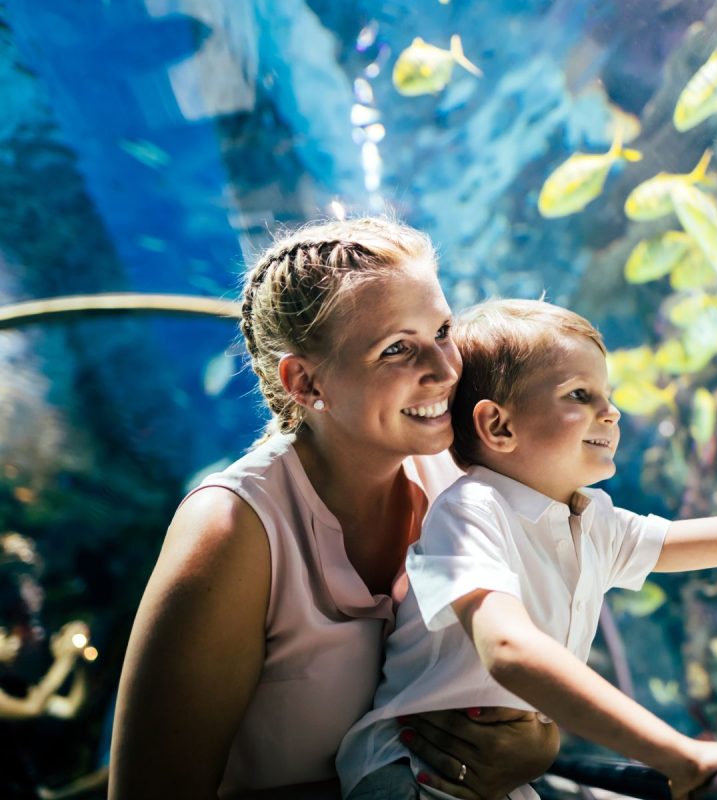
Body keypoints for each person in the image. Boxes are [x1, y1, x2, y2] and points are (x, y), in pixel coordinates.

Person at [336, 299, 717, 800]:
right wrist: (677, 755)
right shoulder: (473, 510)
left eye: (608, 393)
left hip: (486, 778)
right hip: (406, 776)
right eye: (580, 395)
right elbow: (508, 649)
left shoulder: (592, 522)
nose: (613, 410)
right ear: (499, 426)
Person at [108, 219, 560, 800]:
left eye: (443, 330)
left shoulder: (469, 477)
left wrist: (538, 744)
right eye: (397, 348)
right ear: (305, 381)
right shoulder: (234, 530)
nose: (447, 370)